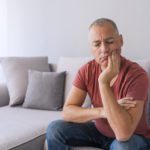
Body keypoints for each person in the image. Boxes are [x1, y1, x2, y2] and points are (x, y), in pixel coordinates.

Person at [46, 18, 150, 150]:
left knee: (123, 147)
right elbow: (67, 112)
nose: (104, 49)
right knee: (55, 129)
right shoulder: (86, 70)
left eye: (110, 42)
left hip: (134, 137)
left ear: (121, 41)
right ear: (91, 48)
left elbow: (123, 134)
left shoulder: (137, 75)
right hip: (99, 132)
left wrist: (103, 82)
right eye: (97, 44)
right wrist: (102, 111)